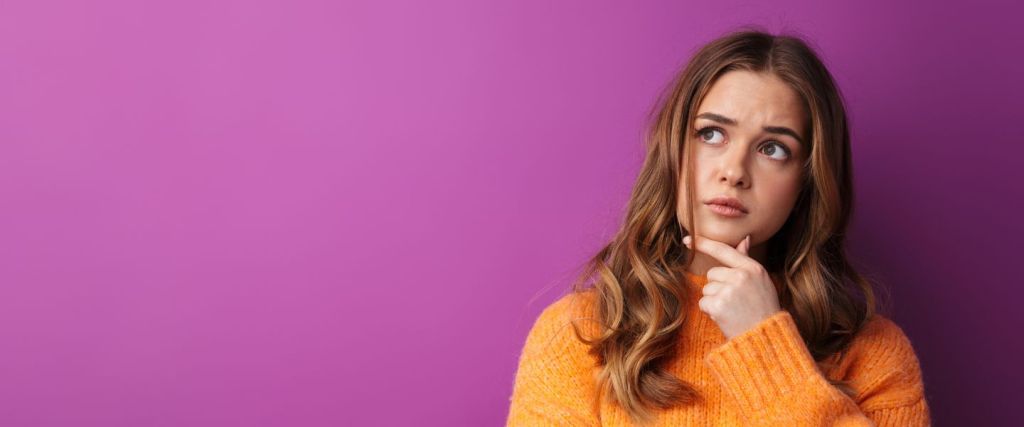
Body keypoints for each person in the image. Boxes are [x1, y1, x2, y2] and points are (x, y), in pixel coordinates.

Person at [506, 27, 931, 426]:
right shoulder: (582, 334)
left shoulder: (873, 353)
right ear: (674, 151)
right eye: (711, 134)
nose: (733, 171)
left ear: (807, 180)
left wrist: (765, 348)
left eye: (773, 148)